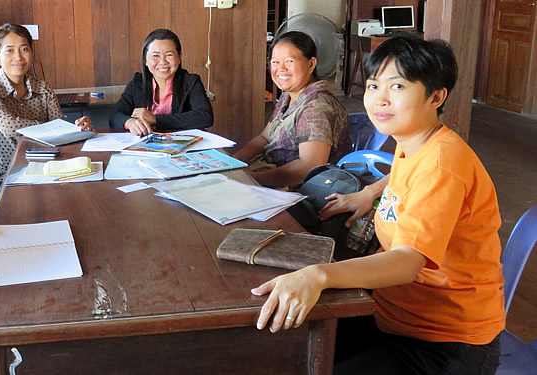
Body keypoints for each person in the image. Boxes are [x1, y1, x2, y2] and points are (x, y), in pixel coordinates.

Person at [251, 36, 504, 374]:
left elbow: (407, 262)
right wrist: (369, 193)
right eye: (373, 86)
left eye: (397, 86)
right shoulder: (413, 141)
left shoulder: (443, 164)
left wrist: (319, 274)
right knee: (286, 348)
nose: (380, 99)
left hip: (443, 338)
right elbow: (404, 176)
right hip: (391, 311)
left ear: (436, 96)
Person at [0, 23, 92, 195]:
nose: (18, 57)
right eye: (9, 50)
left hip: (49, 167)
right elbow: (9, 126)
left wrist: (78, 128)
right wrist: (51, 127)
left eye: (24, 49)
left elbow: (61, 129)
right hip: (7, 172)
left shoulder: (43, 88)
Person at [233, 31, 350, 188]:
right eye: (275, 62)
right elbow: (264, 138)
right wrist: (233, 163)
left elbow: (308, 168)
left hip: (300, 191)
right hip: (270, 173)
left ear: (311, 64)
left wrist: (253, 180)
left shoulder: (317, 106)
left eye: (289, 61)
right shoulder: (289, 96)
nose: (281, 69)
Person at [109, 28, 214, 135]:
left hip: (182, 146)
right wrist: (130, 122)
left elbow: (205, 117)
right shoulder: (138, 82)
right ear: (145, 60)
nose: (163, 62)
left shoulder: (191, 81)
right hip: (145, 147)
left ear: (179, 57)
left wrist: (155, 119)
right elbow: (114, 116)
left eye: (169, 55)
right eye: (155, 56)